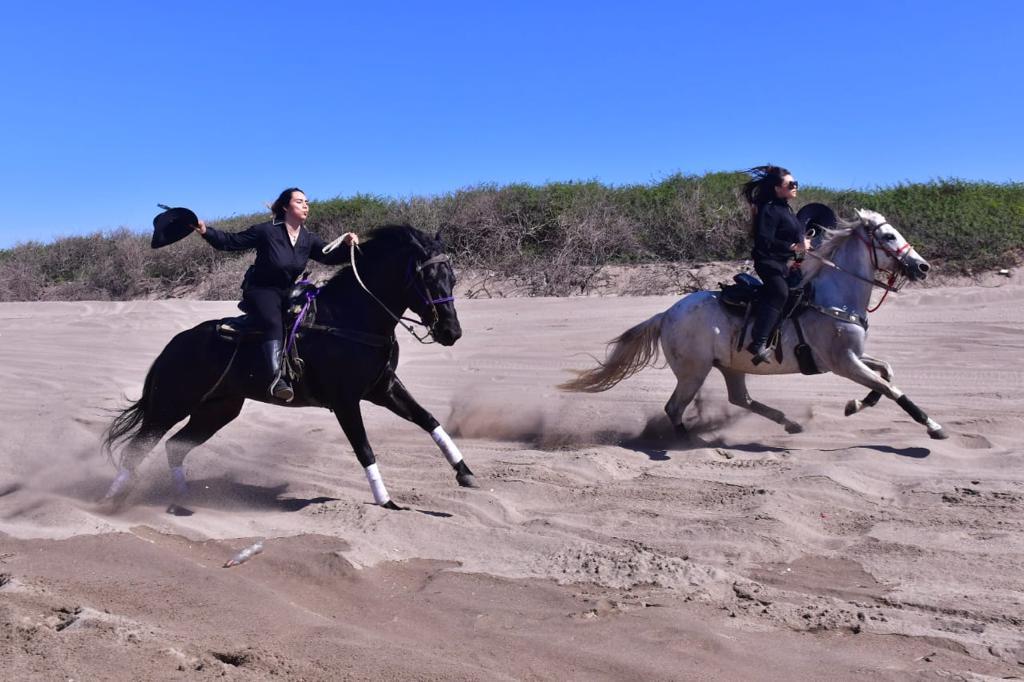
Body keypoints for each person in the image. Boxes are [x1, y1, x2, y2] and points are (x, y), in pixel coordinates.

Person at [194, 188, 359, 402]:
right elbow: (230, 242)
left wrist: (349, 246)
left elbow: (329, 257)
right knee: (273, 322)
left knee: (313, 316)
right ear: (285, 207)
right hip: (262, 289)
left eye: (307, 202)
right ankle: (275, 379)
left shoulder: (308, 238)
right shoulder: (266, 231)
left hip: (290, 291)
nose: (306, 205)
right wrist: (205, 230)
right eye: (299, 201)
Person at [740, 165, 812, 365]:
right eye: (791, 184)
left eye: (796, 183)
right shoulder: (770, 210)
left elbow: (793, 237)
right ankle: (758, 342)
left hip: (784, 263)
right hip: (768, 263)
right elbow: (764, 240)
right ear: (777, 188)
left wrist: (803, 245)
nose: (795, 186)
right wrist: (794, 246)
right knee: (780, 293)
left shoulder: (786, 209)